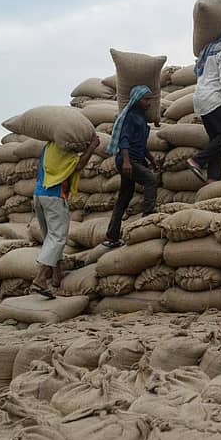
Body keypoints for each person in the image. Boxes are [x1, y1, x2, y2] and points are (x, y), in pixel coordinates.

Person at [32, 131, 99, 296]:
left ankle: (56, 276)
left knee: (51, 238)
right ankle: (40, 278)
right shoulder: (63, 150)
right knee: (58, 238)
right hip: (54, 197)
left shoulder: (48, 147)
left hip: (39, 195)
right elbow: (78, 165)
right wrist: (91, 147)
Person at [103, 86, 159, 247]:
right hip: (127, 161)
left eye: (150, 99)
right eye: (146, 99)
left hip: (135, 159)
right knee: (150, 180)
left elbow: (140, 144)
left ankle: (112, 235)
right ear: (137, 100)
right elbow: (124, 140)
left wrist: (152, 160)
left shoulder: (141, 117)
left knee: (124, 197)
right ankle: (148, 215)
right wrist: (127, 162)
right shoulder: (130, 117)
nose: (149, 102)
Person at [187, 23, 221, 183]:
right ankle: (197, 160)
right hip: (213, 99)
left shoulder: (207, 50)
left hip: (200, 99)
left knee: (215, 141)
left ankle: (213, 178)